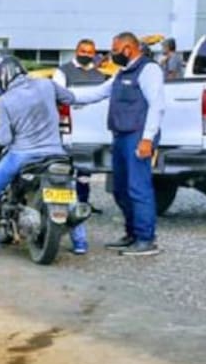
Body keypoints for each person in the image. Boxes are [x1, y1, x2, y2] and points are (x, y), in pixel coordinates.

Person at [0, 55, 76, 256]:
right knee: (69, 192)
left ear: (1, 78)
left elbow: (4, 139)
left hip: (22, 155)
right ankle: (81, 242)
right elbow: (71, 98)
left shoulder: (5, 101)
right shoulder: (46, 84)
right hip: (55, 152)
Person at [70, 31, 165, 256]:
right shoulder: (122, 72)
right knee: (121, 189)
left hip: (137, 136)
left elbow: (157, 106)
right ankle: (132, 234)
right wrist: (66, 95)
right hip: (121, 135)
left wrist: (147, 139)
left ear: (128, 49)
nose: (111, 54)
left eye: (114, 50)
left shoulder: (148, 70)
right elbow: (98, 93)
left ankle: (146, 239)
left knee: (138, 188)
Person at [53, 39, 106, 255]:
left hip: (91, 133)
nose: (86, 55)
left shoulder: (100, 76)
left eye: (90, 52)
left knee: (84, 175)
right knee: (64, 176)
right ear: (76, 51)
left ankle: (82, 207)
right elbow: (58, 98)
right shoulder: (63, 72)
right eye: (83, 51)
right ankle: (68, 224)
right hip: (66, 132)